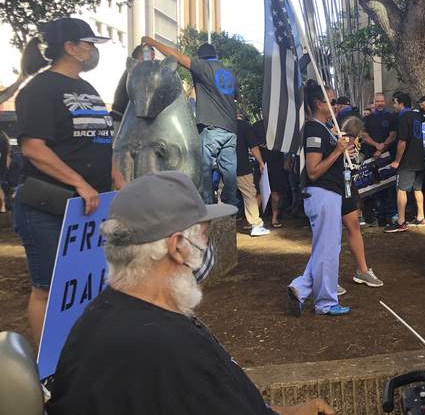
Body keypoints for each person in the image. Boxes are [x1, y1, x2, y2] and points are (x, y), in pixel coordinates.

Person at [47, 171, 334, 415]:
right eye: (204, 236)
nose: (207, 248)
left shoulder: (102, 315)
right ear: (177, 247)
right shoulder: (169, 350)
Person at [13, 18, 123, 343]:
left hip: (88, 210)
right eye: (88, 44)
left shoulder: (87, 88)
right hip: (47, 208)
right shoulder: (39, 90)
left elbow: (100, 141)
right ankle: (49, 368)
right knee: (47, 289)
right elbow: (33, 147)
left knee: (85, 284)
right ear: (70, 48)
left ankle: (79, 353)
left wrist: (116, 176)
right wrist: (79, 183)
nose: (92, 50)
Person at [142, 37, 238, 207]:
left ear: (201, 58)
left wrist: (153, 43)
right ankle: (231, 204)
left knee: (204, 169)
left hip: (211, 127)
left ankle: (206, 205)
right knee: (229, 170)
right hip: (230, 130)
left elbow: (178, 57)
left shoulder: (203, 67)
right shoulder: (229, 72)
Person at [288, 82, 351, 316]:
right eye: (332, 102)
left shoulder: (321, 128)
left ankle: (301, 287)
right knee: (327, 249)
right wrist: (337, 151)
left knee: (326, 247)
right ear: (319, 104)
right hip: (322, 193)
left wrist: (339, 149)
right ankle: (325, 302)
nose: (336, 106)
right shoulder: (314, 129)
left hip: (327, 194)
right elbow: (313, 170)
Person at [337, 112, 384, 288]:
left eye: (354, 137)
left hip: (348, 189)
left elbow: (355, 164)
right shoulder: (337, 142)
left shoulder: (355, 145)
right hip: (334, 189)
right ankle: (328, 277)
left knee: (354, 225)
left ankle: (363, 271)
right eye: (350, 136)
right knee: (332, 234)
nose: (352, 141)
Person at [386, 92, 425, 232]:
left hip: (407, 161)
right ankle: (421, 217)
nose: (394, 107)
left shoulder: (402, 118)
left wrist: (397, 161)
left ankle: (401, 221)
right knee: (418, 189)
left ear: (401, 103)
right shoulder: (417, 116)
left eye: (395, 103)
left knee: (401, 190)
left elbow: (402, 141)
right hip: (420, 158)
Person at [360, 92, 397, 227]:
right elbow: (364, 136)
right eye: (377, 101)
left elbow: (393, 135)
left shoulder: (391, 117)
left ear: (385, 102)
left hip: (388, 157)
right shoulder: (367, 119)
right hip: (373, 158)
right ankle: (380, 216)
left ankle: (391, 216)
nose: (380, 103)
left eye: (381, 101)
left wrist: (381, 148)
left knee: (390, 187)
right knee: (376, 187)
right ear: (374, 103)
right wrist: (376, 146)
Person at [236, 115, 269, 237]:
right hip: (241, 166)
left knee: (229, 196)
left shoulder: (219, 125)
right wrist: (260, 162)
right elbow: (253, 146)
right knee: (249, 194)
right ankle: (256, 224)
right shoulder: (243, 125)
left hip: (222, 165)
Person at [110, 44, 154, 124]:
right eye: (150, 57)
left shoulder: (132, 71)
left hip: (121, 118)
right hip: (121, 120)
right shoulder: (136, 71)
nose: (152, 62)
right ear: (141, 58)